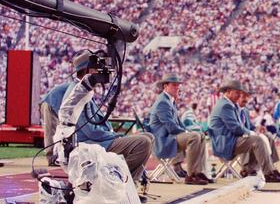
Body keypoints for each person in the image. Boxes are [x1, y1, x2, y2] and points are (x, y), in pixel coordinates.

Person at [60, 51, 154, 182]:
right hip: (90, 145)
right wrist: (115, 137)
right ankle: (120, 183)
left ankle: (131, 184)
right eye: (98, 68)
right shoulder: (77, 92)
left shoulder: (83, 89)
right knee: (143, 143)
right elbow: (90, 131)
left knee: (149, 137)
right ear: (89, 70)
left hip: (98, 141)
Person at [208, 80, 280, 183]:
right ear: (229, 91)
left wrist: (250, 132)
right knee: (256, 140)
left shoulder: (229, 104)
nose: (239, 96)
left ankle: (253, 169)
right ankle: (268, 173)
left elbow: (237, 127)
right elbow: (235, 127)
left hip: (229, 140)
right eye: (237, 93)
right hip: (225, 143)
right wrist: (250, 133)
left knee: (257, 139)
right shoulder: (225, 106)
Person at [147, 73, 210, 185]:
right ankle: (191, 175)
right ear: (165, 86)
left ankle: (198, 172)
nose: (178, 87)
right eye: (174, 85)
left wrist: (188, 130)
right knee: (194, 137)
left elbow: (179, 123)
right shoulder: (163, 102)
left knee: (200, 134)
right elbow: (171, 127)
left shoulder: (169, 100)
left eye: (178, 85)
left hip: (169, 138)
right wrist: (187, 132)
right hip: (163, 141)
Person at [237, 90, 280, 178]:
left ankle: (272, 167)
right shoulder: (234, 110)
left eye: (246, 99)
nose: (245, 101)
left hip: (248, 133)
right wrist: (251, 131)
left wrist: (256, 128)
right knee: (256, 139)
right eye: (243, 98)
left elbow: (250, 126)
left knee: (268, 136)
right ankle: (248, 167)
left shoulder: (245, 111)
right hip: (241, 136)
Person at [40, 80, 72, 166]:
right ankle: (51, 158)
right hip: (50, 104)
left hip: (53, 103)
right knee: (51, 132)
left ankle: (59, 156)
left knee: (59, 131)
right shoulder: (79, 88)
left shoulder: (76, 86)